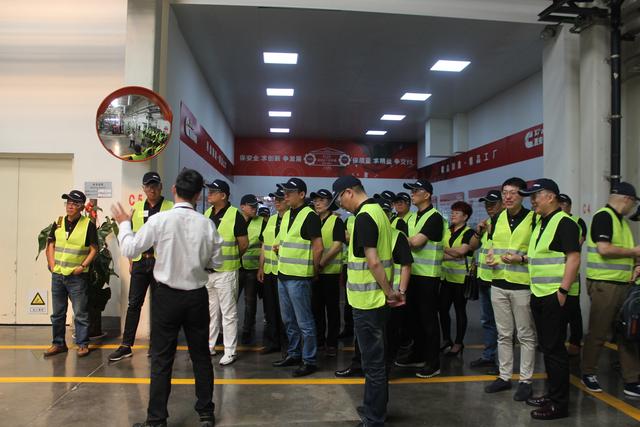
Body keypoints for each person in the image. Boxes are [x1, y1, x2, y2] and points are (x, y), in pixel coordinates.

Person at [112, 168, 222, 427]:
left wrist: (124, 223)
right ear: (198, 195)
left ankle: (156, 419)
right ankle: (206, 413)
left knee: (162, 359)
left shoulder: (160, 220)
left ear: (173, 190)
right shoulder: (207, 224)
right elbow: (217, 262)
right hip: (196, 298)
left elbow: (130, 249)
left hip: (167, 297)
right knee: (201, 356)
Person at [331, 175, 403, 427]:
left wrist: (390, 292)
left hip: (368, 302)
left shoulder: (363, 217)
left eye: (340, 199)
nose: (341, 205)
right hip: (375, 300)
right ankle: (375, 406)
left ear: (349, 192)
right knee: (376, 360)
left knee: (373, 364)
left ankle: (374, 418)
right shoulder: (378, 212)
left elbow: (373, 262)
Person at [520, 179, 580, 420]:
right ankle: (551, 394)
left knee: (555, 351)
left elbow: (573, 258)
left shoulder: (564, 223)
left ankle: (559, 404)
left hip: (554, 296)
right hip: (539, 293)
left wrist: (562, 291)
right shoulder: (542, 222)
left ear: (551, 197)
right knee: (547, 348)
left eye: (536, 196)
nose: (532, 201)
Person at [581, 182, 640, 397]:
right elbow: (604, 249)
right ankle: (588, 372)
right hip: (605, 285)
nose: (633, 208)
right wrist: (634, 252)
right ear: (627, 199)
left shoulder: (621, 222)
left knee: (626, 333)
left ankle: (632, 380)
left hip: (623, 284)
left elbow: (629, 251)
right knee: (599, 331)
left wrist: (636, 265)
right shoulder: (604, 217)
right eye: (633, 203)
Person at [109, 172, 173, 362]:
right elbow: (132, 237)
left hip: (160, 263)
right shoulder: (136, 208)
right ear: (143, 189)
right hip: (140, 262)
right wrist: (131, 261)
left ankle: (156, 344)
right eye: (148, 186)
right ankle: (126, 345)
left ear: (161, 187)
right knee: (134, 304)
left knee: (159, 305)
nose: (152, 189)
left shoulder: (170, 207)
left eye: (155, 185)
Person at [484, 177, 537, 402]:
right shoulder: (497, 218)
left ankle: (525, 380)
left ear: (522, 195)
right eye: (504, 192)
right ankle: (504, 376)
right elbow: (492, 246)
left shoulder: (534, 219)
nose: (507, 197)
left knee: (525, 334)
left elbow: (539, 253)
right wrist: (490, 257)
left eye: (512, 193)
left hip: (522, 285)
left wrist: (521, 259)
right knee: (504, 334)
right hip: (498, 283)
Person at [394, 179, 446, 379]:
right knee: (413, 319)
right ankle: (417, 354)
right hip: (412, 275)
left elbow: (415, 242)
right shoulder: (413, 218)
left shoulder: (435, 218)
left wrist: (395, 239)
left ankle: (433, 362)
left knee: (428, 321)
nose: (412, 194)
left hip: (428, 277)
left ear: (427, 195)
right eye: (412, 190)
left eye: (416, 190)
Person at [272, 177, 323, 377]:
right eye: (284, 192)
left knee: (304, 322)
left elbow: (318, 247)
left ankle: (309, 360)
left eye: (290, 192)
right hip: (283, 275)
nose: (285, 195)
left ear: (302, 194)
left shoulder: (309, 216)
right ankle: (294, 354)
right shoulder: (287, 215)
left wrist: (314, 270)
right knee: (288, 320)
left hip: (299, 278)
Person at [44, 190, 98, 358]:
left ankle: (82, 344)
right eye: (68, 203)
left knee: (80, 312)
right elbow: (50, 244)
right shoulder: (59, 222)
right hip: (58, 275)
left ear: (81, 207)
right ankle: (58, 344)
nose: (70, 206)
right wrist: (52, 264)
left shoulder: (87, 225)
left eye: (74, 204)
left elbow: (94, 249)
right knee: (57, 313)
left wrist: (83, 266)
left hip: (77, 276)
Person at [204, 179, 248, 366]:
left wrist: (230, 258)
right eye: (209, 191)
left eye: (213, 191)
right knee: (211, 312)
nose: (209, 194)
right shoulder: (207, 213)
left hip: (227, 272)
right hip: (208, 273)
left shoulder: (235, 215)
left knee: (228, 313)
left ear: (223, 195)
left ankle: (230, 351)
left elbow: (243, 244)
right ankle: (210, 345)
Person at [468, 189, 503, 371]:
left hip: (498, 280)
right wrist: (478, 232)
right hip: (484, 279)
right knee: (487, 321)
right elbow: (472, 246)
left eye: (493, 203)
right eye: (487, 204)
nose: (489, 207)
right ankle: (489, 356)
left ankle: (502, 363)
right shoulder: (487, 223)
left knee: (502, 325)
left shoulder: (505, 224)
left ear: (502, 204)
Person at [310, 188, 346, 357]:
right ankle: (319, 340)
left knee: (332, 309)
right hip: (314, 272)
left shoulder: (336, 221)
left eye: (322, 200)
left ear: (330, 203)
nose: (317, 203)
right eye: (316, 201)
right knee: (316, 308)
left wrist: (322, 262)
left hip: (330, 272)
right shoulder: (313, 220)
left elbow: (337, 246)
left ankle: (332, 343)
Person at [440, 201, 475, 357]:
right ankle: (446, 339)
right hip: (446, 277)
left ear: (465, 217)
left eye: (457, 213)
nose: (453, 215)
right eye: (452, 212)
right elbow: (454, 253)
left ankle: (459, 343)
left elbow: (461, 251)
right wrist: (452, 253)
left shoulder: (469, 233)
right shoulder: (447, 230)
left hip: (461, 279)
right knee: (442, 309)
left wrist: (444, 250)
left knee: (460, 311)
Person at [257, 188, 288, 354]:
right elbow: (264, 244)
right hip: (269, 271)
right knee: (270, 308)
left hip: (284, 271)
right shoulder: (271, 219)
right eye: (275, 199)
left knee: (284, 310)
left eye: (280, 199)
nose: (277, 202)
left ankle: (286, 344)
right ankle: (273, 342)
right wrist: (261, 267)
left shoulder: (291, 220)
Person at [558, 193, 587, 357]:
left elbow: (577, 244)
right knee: (559, 314)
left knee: (574, 312)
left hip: (572, 276)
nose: (561, 207)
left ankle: (575, 342)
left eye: (564, 204)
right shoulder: (551, 221)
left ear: (569, 206)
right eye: (559, 204)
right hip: (555, 275)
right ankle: (559, 344)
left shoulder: (577, 222)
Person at [238, 194, 263, 344]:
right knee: (230, 300)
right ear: (243, 207)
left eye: (256, 206)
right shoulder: (235, 220)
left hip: (252, 268)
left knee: (250, 301)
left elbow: (264, 245)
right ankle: (224, 330)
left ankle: (247, 329)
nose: (255, 208)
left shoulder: (261, 222)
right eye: (252, 206)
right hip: (235, 267)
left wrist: (261, 267)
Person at [338, 214, 356, 340]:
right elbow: (343, 237)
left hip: (364, 264)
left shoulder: (367, 216)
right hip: (348, 263)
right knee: (348, 299)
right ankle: (348, 328)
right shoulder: (349, 219)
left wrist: (351, 236)